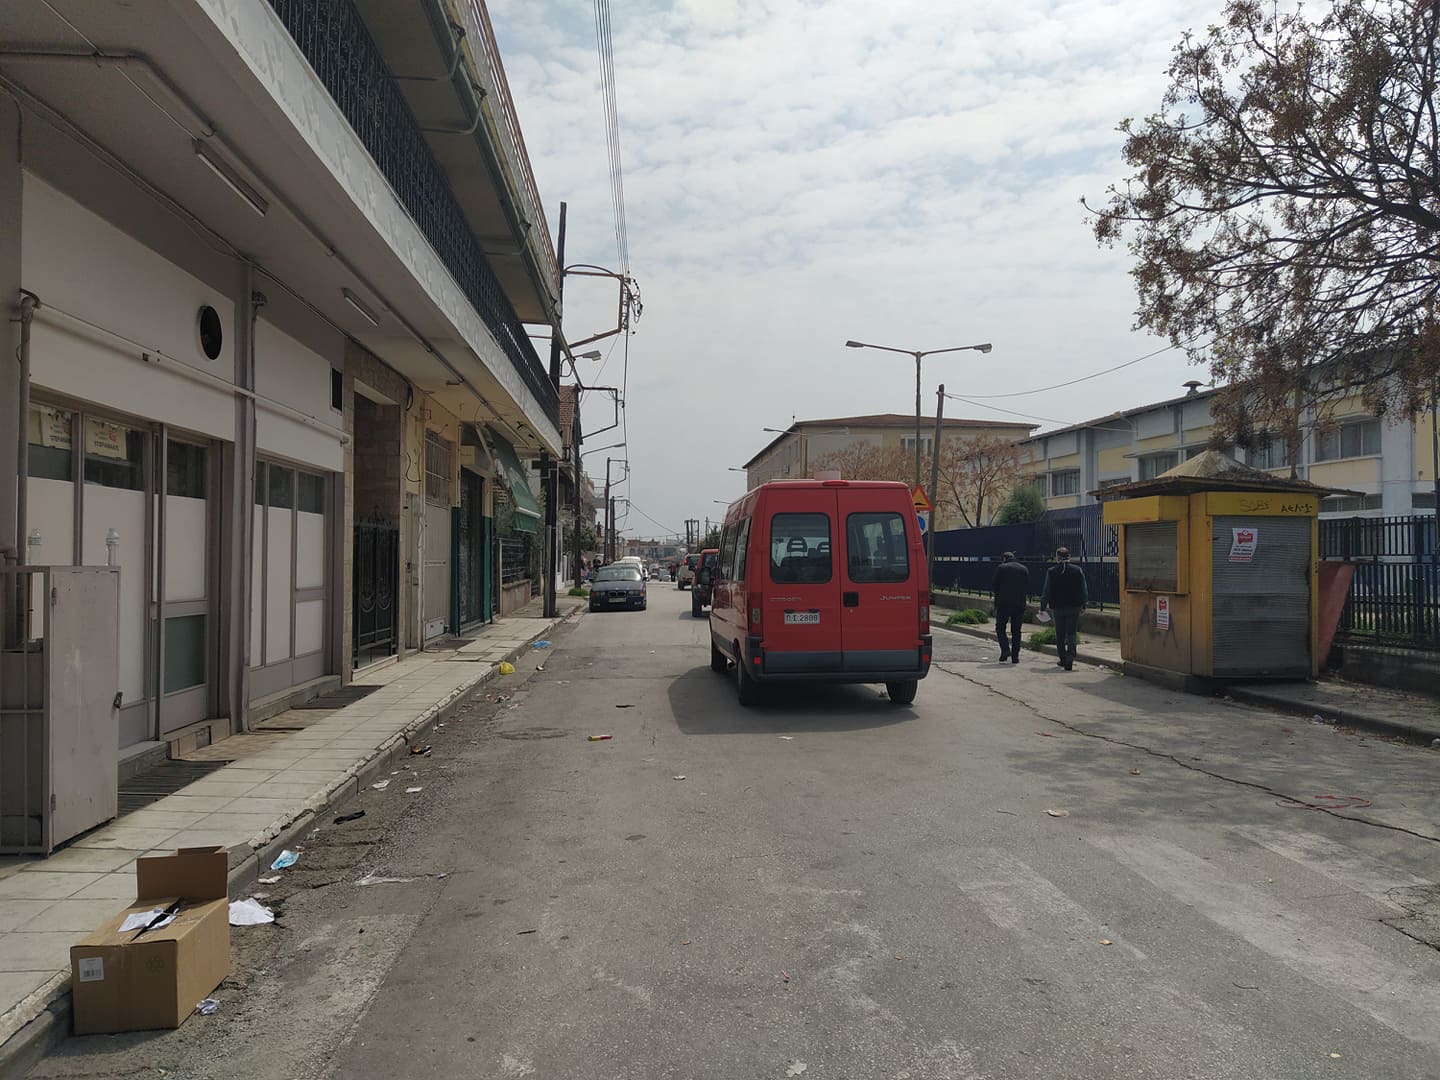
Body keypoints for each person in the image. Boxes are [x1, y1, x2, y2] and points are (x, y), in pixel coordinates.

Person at [1040, 546, 1088, 671]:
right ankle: (1071, 656)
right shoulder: (1077, 570)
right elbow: (1083, 589)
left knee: (1060, 634)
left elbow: (1047, 591)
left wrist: (1042, 606)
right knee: (1071, 633)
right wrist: (1084, 604)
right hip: (1074, 606)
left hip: (1058, 607)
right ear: (1069, 557)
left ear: (1057, 557)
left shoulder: (1052, 571)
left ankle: (1062, 658)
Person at [990, 551, 1029, 664]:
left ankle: (1005, 650)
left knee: (1000, 627)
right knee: (1016, 631)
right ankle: (1015, 656)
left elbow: (994, 584)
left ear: (1004, 558)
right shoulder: (1023, 569)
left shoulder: (1001, 568)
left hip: (1003, 603)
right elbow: (1026, 584)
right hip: (1019, 603)